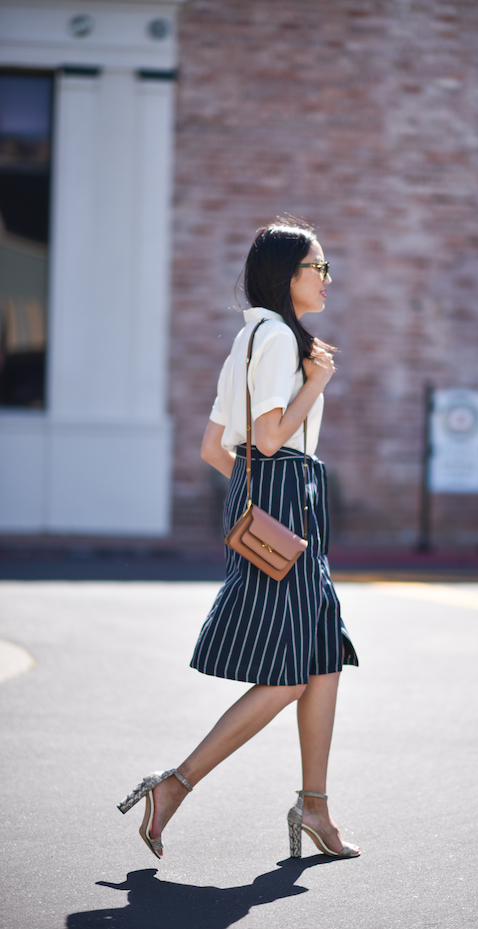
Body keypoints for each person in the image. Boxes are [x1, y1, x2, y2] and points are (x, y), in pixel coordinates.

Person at [118, 218, 359, 860]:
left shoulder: (248, 337)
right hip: (291, 506)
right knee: (290, 674)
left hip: (276, 510)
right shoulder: (279, 338)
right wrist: (318, 383)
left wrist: (255, 502)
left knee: (323, 656)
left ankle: (316, 805)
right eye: (320, 267)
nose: (328, 279)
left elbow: (212, 448)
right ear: (289, 275)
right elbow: (271, 435)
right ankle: (174, 785)